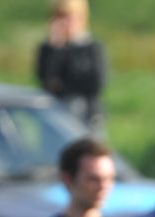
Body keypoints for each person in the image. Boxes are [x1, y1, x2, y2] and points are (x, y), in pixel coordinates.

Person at [36, 0, 107, 130]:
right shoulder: (49, 49)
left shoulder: (91, 47)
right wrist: (57, 48)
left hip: (87, 115)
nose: (64, 23)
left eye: (68, 17)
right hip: (56, 113)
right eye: (59, 17)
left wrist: (63, 83)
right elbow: (46, 81)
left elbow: (97, 83)